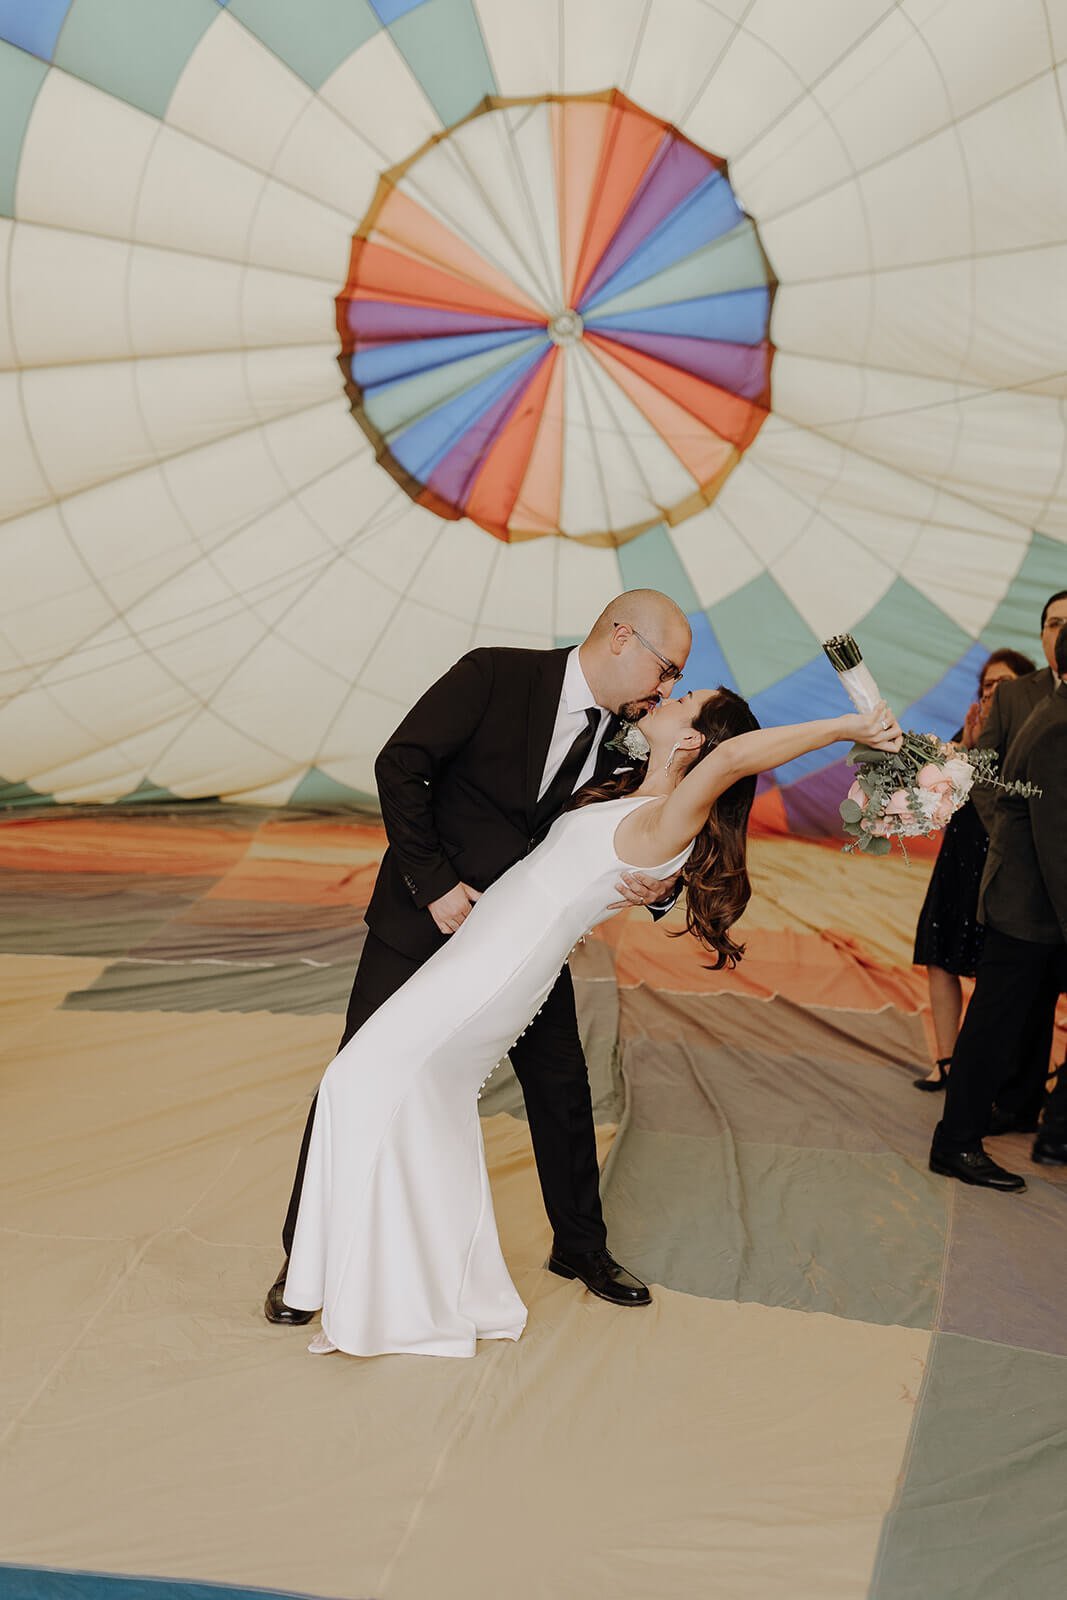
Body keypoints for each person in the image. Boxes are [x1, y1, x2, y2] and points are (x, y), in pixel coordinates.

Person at [284, 689, 903, 1357]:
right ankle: (404, 1284)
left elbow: (731, 763)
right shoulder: (630, 783)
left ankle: (393, 1290)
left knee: (359, 1080)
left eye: (688, 696)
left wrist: (848, 726)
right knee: (405, 1099)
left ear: (696, 743)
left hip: (493, 971)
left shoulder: (672, 812)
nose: (673, 692)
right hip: (476, 953)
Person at [265, 591, 696, 1325]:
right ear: (622, 638)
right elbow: (400, 766)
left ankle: (579, 1246)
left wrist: (655, 892)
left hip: (523, 944)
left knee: (561, 1087)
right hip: (422, 919)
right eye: (666, 670)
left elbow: (638, 832)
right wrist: (432, 884)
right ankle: (304, 1258)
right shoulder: (495, 675)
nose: (667, 691)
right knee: (357, 1072)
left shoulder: (632, 736)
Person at [930, 622, 1067, 1191]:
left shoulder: (1057, 708)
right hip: (1028, 900)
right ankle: (957, 1142)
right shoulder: (1059, 726)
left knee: (1009, 1021)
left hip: (1038, 902)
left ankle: (1028, 1116)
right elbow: (1056, 841)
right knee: (990, 1026)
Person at [964, 590, 1067, 1131]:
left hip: (1064, 886)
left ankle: (1030, 1104)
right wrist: (1007, 832)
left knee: (1047, 1001)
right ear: (1042, 633)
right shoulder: (1015, 695)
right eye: (1054, 623)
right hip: (1024, 880)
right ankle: (983, 1112)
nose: (1061, 632)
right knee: (1011, 1004)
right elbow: (983, 772)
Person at [912, 648, 1035, 1091]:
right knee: (940, 959)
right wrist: (962, 749)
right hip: (956, 865)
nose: (993, 694)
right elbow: (930, 805)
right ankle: (945, 1060)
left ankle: (988, 1068)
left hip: (1003, 876)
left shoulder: (1032, 742)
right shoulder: (964, 738)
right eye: (987, 687)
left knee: (995, 972)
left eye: (1005, 686)